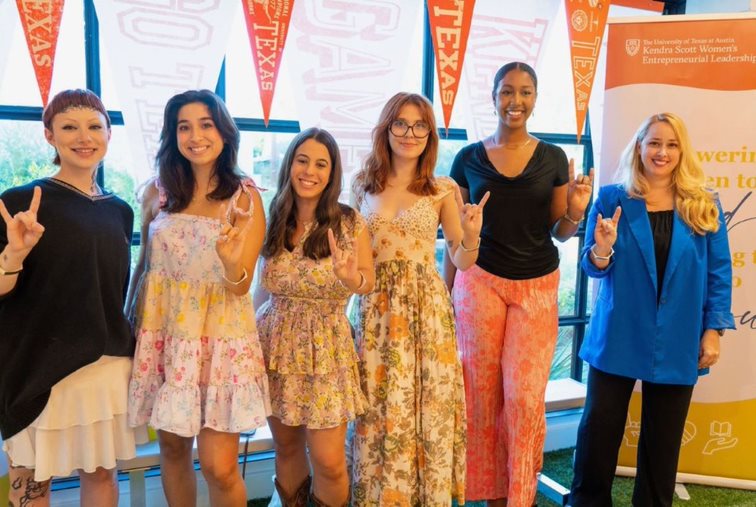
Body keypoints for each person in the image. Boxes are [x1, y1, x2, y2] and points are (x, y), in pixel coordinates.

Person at [446, 61, 593, 507]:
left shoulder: (551, 158)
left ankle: (518, 497)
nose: (516, 101)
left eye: (525, 92)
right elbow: (456, 237)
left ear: (535, 98)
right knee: (480, 396)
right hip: (479, 283)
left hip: (536, 287)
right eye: (507, 91)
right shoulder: (467, 158)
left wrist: (576, 208)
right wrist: (445, 292)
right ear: (493, 97)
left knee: (525, 399)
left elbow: (560, 231)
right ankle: (484, 494)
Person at [568, 112, 734, 507]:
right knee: (598, 432)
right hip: (619, 332)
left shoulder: (704, 204)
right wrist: (603, 247)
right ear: (639, 146)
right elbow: (592, 267)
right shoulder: (611, 198)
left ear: (682, 151)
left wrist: (713, 330)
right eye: (654, 143)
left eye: (671, 144)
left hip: (679, 336)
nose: (662, 152)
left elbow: (718, 272)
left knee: (663, 441)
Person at [127, 89, 270, 507]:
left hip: (222, 342)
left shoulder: (245, 197)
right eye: (183, 126)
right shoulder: (157, 193)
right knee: (171, 451)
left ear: (224, 132)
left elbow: (242, 285)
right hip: (166, 339)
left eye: (205, 124)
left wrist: (228, 260)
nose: (195, 135)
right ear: (173, 136)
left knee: (218, 465)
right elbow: (144, 267)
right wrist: (128, 320)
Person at [0, 89, 142, 507]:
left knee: (100, 474)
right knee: (31, 479)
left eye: (94, 126)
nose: (84, 137)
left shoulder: (120, 209)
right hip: (34, 364)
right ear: (49, 136)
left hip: (103, 364)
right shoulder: (19, 203)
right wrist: (14, 255)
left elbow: (114, 290)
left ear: (109, 134)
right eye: (69, 127)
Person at [350, 91, 487, 506]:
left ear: (429, 133)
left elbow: (462, 260)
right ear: (386, 128)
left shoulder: (442, 189)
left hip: (425, 310)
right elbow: (351, 253)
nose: (410, 133)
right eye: (401, 123)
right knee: (377, 405)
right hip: (375, 310)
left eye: (420, 125)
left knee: (428, 403)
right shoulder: (361, 185)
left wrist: (472, 231)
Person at [254, 128, 375, 507]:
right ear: (290, 164)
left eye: (321, 164)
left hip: (327, 347)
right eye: (302, 160)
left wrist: (348, 276)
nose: (310, 171)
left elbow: (366, 282)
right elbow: (262, 289)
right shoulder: (273, 215)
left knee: (328, 461)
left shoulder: (349, 221)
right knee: (287, 449)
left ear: (332, 172)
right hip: (275, 343)